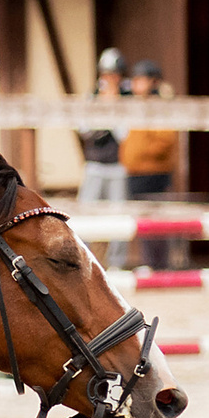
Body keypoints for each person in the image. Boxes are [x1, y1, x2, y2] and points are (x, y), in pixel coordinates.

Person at [120, 59, 182, 270]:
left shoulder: (159, 106)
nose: (135, 84)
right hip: (136, 171)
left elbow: (166, 140)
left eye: (140, 79)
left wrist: (141, 154)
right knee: (142, 218)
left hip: (154, 170)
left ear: (153, 82)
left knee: (156, 218)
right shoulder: (136, 105)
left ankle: (158, 264)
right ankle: (149, 262)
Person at [76, 49, 131, 267]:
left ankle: (117, 262)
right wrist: (102, 105)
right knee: (85, 213)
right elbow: (85, 129)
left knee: (120, 216)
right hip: (94, 164)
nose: (109, 79)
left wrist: (114, 106)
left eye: (114, 74)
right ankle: (83, 261)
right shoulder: (92, 96)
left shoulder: (127, 99)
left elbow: (123, 134)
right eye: (106, 74)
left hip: (118, 165)